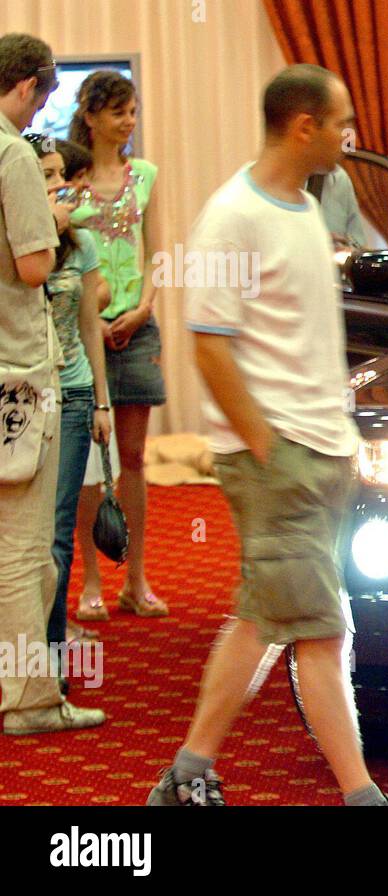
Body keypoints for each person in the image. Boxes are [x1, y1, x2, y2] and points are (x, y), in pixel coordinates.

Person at [150, 64, 388, 806]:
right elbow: (206, 345)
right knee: (322, 632)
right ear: (303, 127)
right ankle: (362, 796)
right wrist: (268, 448)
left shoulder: (301, 207)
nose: (349, 138)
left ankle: (188, 774)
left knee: (262, 620)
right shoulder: (233, 216)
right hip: (277, 462)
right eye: (340, 123)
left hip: (316, 453)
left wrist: (335, 443)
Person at [0, 32, 105, 734]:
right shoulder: (10, 153)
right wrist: (58, 217)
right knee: (23, 547)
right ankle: (30, 699)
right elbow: (36, 265)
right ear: (34, 87)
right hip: (14, 373)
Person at [69, 70, 167, 618]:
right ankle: (89, 582)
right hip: (84, 329)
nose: (129, 122)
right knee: (88, 460)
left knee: (132, 457)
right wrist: (94, 318)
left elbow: (156, 249)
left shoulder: (146, 175)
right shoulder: (71, 178)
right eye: (118, 112)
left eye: (133, 112)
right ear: (91, 116)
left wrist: (145, 306)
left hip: (136, 326)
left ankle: (137, 577)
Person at [26, 136, 112, 655]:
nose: (61, 184)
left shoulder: (81, 243)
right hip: (18, 397)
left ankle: (49, 665)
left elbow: (88, 327)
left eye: (61, 173)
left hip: (75, 394)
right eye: (48, 175)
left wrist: (101, 401)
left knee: (58, 533)